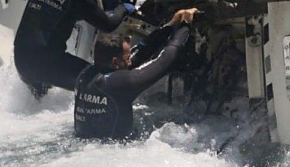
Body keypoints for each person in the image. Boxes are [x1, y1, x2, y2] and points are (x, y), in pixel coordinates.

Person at [13, 0, 136, 97]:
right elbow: (108, 24)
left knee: (38, 106)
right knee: (100, 82)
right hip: (43, 63)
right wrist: (123, 8)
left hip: (22, 59)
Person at [74, 8, 200, 140]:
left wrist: (171, 25)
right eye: (127, 58)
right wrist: (185, 26)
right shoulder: (119, 83)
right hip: (117, 152)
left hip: (87, 145)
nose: (130, 63)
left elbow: (140, 52)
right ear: (115, 62)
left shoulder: (85, 75)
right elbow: (164, 60)